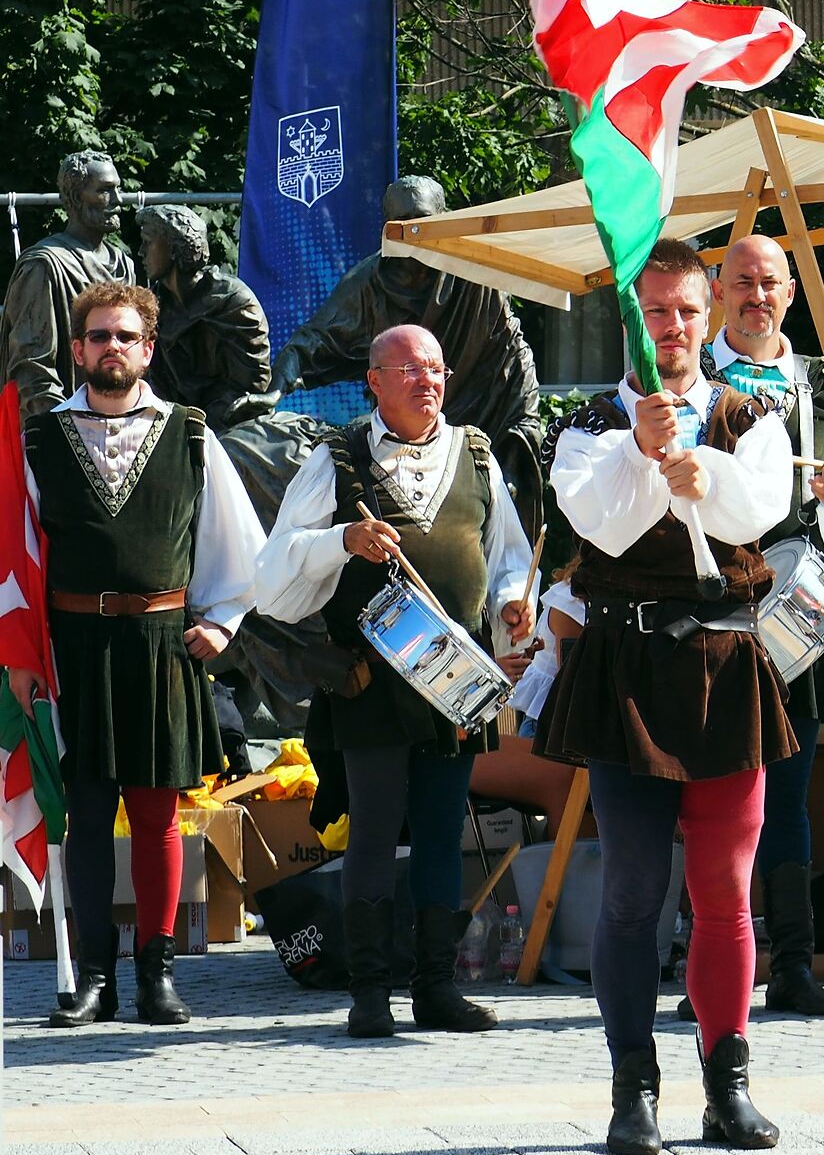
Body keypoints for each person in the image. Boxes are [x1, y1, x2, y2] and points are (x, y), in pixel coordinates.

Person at [539, 239, 795, 1155]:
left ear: (711, 310)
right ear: (632, 323)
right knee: (634, 893)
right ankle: (631, 1087)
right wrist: (646, 454)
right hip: (628, 668)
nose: (674, 327)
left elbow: (755, 513)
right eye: (656, 312)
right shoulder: (588, 425)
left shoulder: (751, 415)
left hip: (724, 663)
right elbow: (597, 519)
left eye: (688, 309)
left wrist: (702, 467)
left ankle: (729, 1086)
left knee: (725, 892)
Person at [254, 324, 536, 1038]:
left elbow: (506, 555)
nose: (427, 381)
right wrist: (341, 540)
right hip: (371, 683)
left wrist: (512, 601)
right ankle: (370, 995)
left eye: (436, 369)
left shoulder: (476, 454)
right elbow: (274, 572)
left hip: (453, 685)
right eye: (408, 369)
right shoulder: (338, 458)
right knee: (375, 833)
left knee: (444, 832)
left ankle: (435, 989)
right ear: (374, 380)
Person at [9, 282, 263, 1026]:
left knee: (156, 818)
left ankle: (156, 975)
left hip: (162, 647)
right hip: (70, 651)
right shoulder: (39, 440)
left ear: (147, 349)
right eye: (96, 336)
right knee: (86, 818)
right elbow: (15, 560)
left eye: (124, 336)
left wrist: (222, 623)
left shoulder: (190, 434)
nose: (109, 347)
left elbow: (235, 544)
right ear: (77, 349)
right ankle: (95, 977)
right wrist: (21, 655)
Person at [693, 232, 824, 1017]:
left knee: (788, 794)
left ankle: (795, 966)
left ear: (789, 294)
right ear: (719, 291)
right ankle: (715, 966)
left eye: (769, 283)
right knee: (710, 797)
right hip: (707, 612)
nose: (755, 295)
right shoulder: (692, 376)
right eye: (741, 281)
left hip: (798, 621)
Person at [271, 176, 546, 538]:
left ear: (443, 221)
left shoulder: (476, 276)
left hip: (474, 430)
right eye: (403, 225)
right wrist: (272, 392)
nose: (414, 235)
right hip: (395, 442)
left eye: (423, 222)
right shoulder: (370, 281)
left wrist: (519, 436)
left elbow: (514, 353)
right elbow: (313, 342)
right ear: (388, 230)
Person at [3, 151, 134, 426]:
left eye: (118, 189)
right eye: (104, 191)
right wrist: (63, 435)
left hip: (123, 427)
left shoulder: (125, 264)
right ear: (75, 198)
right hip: (67, 433)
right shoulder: (45, 265)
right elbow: (32, 367)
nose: (118, 201)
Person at [138, 204, 272, 425]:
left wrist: (200, 428)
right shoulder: (153, 306)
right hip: (173, 422)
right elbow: (154, 383)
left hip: (232, 424)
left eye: (148, 242)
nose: (141, 252)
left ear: (173, 248)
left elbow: (253, 384)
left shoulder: (233, 302)